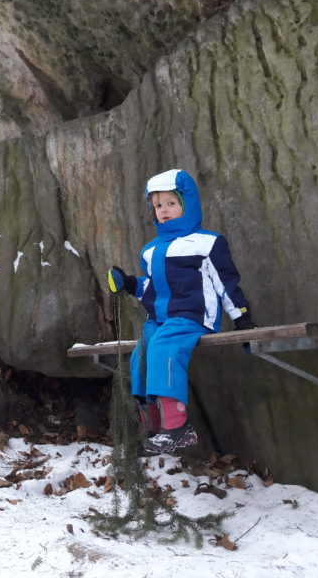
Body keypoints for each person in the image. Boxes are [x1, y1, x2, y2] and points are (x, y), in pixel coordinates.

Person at [107, 167, 254, 456]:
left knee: (163, 346)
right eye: (158, 205)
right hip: (160, 319)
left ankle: (178, 426)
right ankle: (154, 427)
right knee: (142, 355)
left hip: (192, 316)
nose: (164, 211)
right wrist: (128, 283)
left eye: (171, 204)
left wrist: (242, 319)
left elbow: (226, 283)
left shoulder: (207, 243)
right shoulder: (150, 250)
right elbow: (151, 287)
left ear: (188, 204)